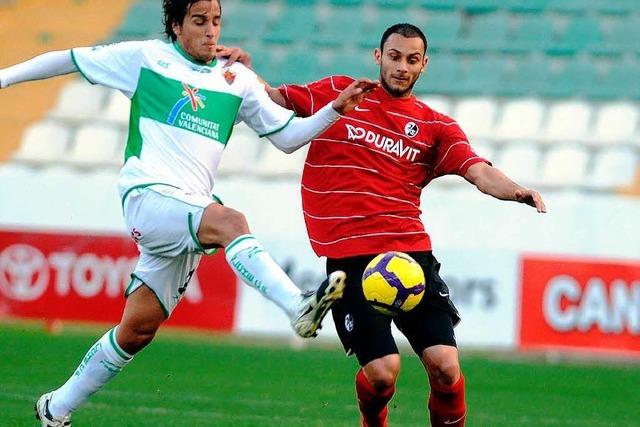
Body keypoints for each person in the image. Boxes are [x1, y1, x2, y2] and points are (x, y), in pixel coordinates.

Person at [0, 1, 379, 425]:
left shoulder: (237, 79)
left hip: (189, 208)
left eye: (216, 22)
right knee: (230, 222)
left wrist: (333, 110)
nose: (211, 31)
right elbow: (66, 58)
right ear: (176, 26)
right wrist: (4, 78)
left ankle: (56, 407)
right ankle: (297, 306)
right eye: (199, 21)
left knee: (137, 329)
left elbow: (288, 138)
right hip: (147, 195)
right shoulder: (146, 58)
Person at [264, 23, 546, 426]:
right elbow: (273, 98)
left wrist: (518, 191)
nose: (401, 66)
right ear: (378, 57)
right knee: (382, 375)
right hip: (351, 262)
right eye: (394, 57)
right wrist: (236, 73)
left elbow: (478, 170)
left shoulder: (435, 126)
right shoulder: (341, 93)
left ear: (423, 65)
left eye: (412, 60)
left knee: (446, 367)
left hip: (409, 255)